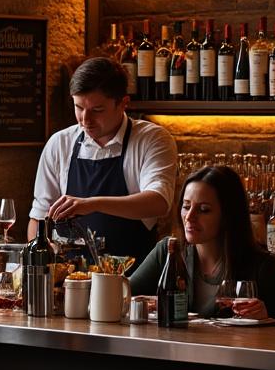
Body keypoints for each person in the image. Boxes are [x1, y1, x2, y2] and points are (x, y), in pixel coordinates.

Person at [28, 56, 178, 265]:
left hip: (132, 281)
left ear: (123, 103)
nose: (85, 120)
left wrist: (93, 204)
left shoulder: (151, 139)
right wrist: (49, 250)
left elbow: (158, 202)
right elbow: (39, 218)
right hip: (71, 281)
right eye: (79, 107)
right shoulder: (60, 143)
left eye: (97, 110)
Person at [130, 165, 275, 324]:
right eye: (186, 206)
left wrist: (266, 317)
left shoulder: (263, 267)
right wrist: (145, 303)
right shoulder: (169, 251)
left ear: (229, 215)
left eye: (204, 209)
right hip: (173, 350)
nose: (189, 217)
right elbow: (122, 295)